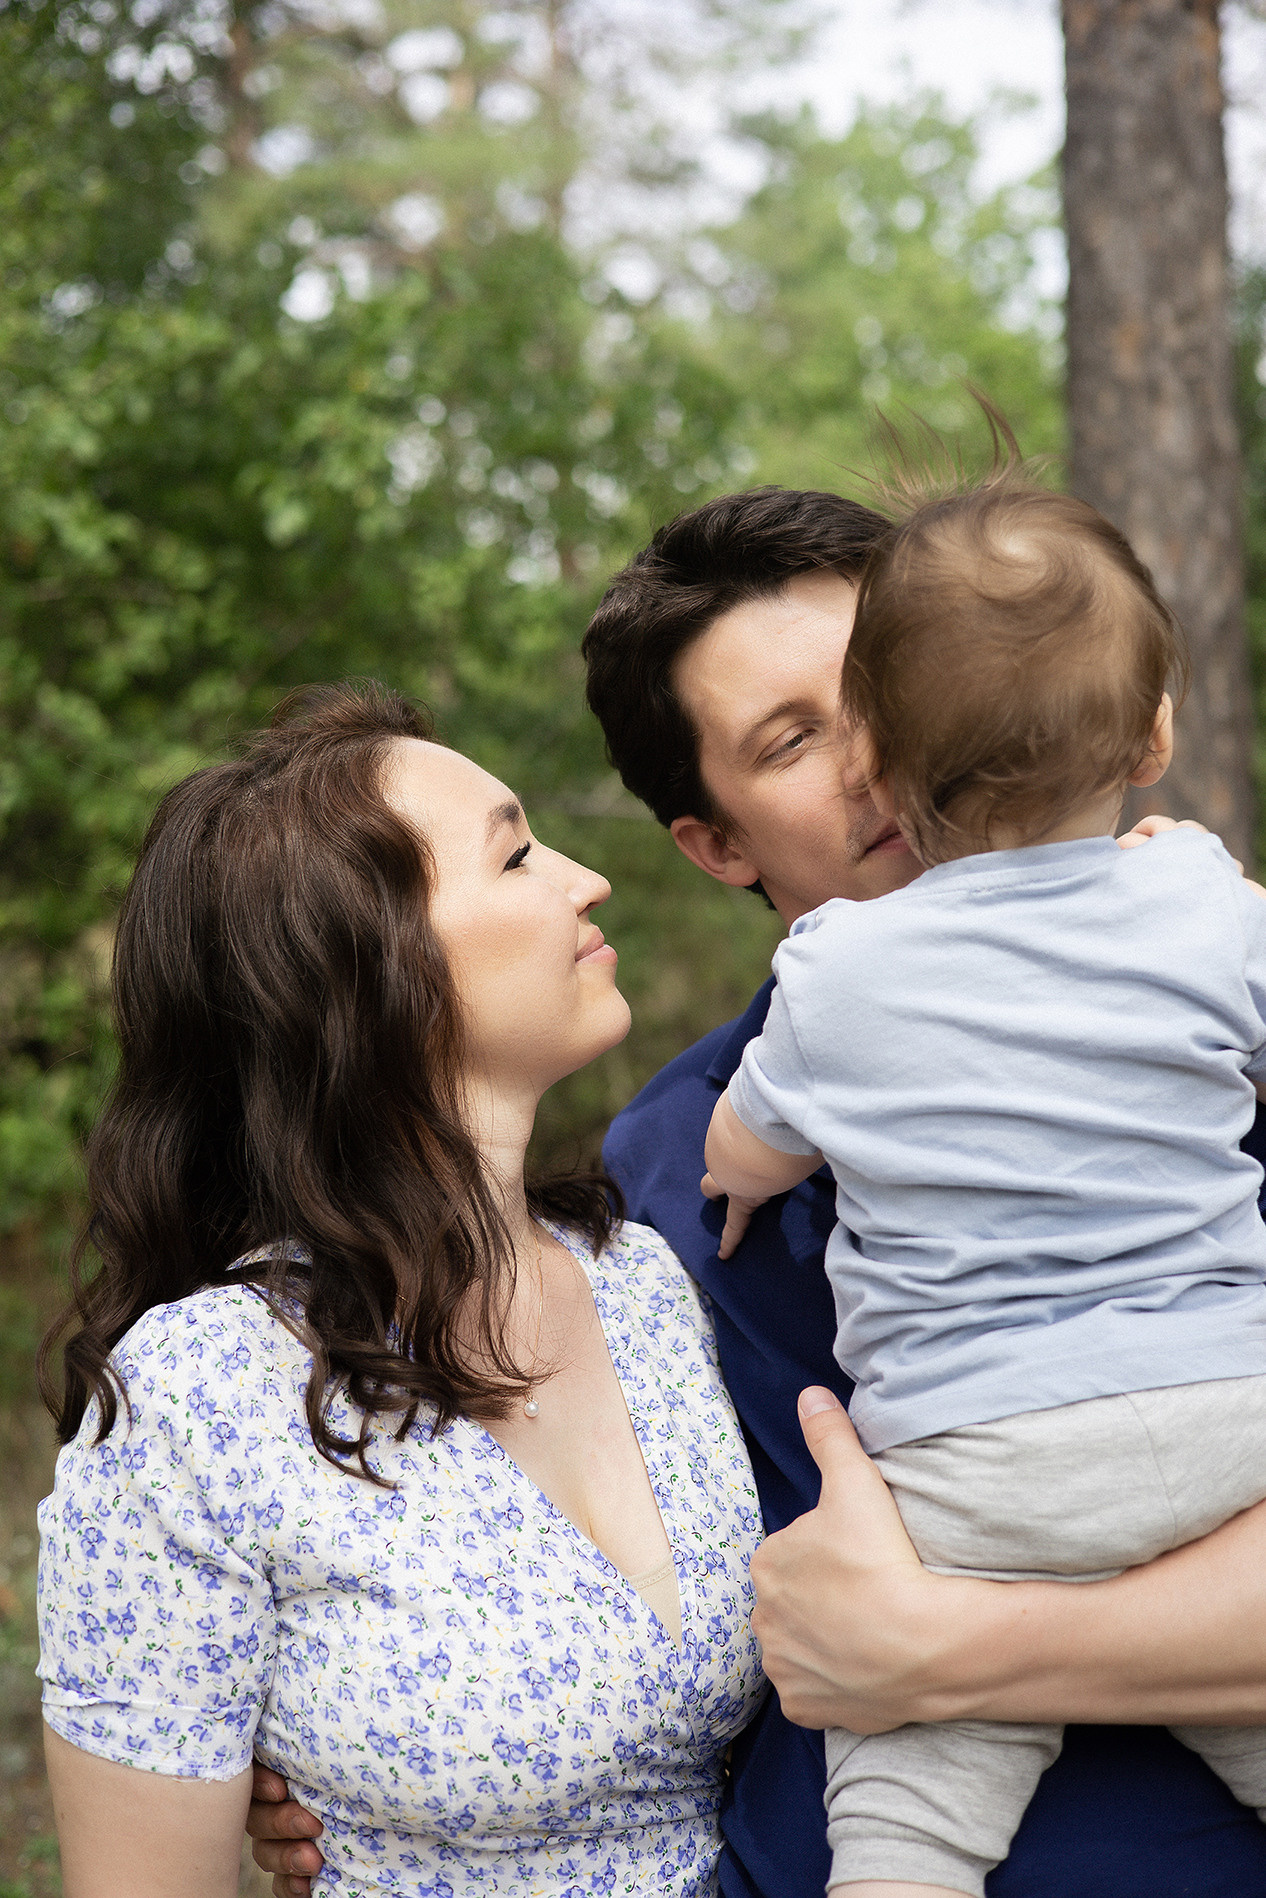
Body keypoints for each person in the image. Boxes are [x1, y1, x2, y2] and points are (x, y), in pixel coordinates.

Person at [248, 486, 1266, 1898]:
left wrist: (945, 1647)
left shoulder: (1203, 1021)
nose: (877, 752)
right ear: (717, 844)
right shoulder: (664, 1171)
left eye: (887, 684)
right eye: (793, 739)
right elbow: (558, 1570)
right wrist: (344, 1762)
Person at [36, 682, 767, 1897]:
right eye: (517, 855)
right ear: (368, 972)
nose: (586, 880)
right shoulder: (197, 1398)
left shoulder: (646, 1279)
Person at [702, 475, 1266, 1898]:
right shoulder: (1203, 901)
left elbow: (750, 1143)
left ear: (879, 765)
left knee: (906, 1820)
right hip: (1228, 1426)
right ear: (1153, 733)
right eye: (779, 735)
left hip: (979, 1476)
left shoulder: (832, 973)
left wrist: (738, 1171)